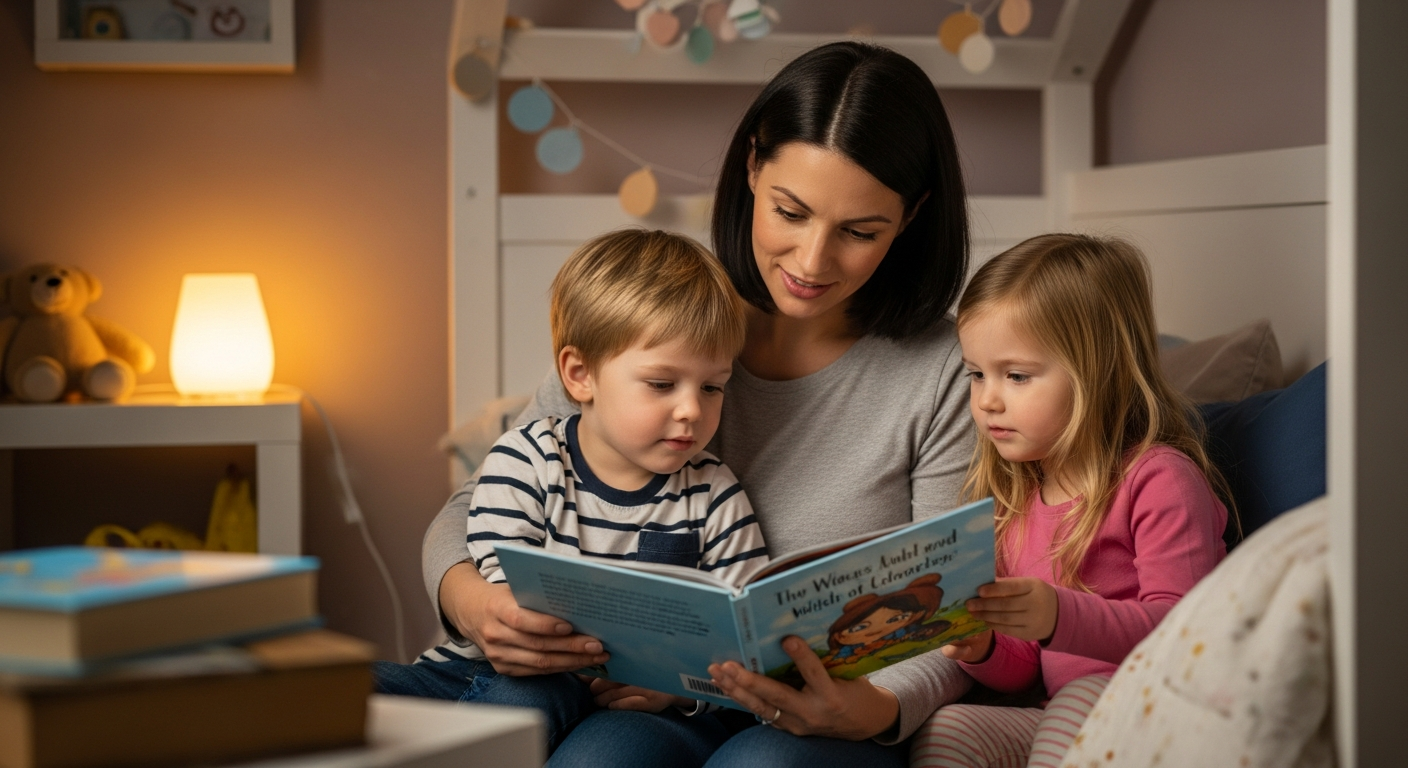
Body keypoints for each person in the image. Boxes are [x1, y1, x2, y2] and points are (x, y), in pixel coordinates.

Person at [423, 41, 976, 768]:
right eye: (790, 211)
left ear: (911, 218)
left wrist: (877, 706)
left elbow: (957, 611)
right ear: (752, 168)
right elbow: (472, 508)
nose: (812, 262)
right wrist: (473, 604)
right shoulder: (666, 312)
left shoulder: (943, 371)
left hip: (821, 717)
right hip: (658, 704)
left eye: (859, 232)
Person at [375, 229, 769, 753]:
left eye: (712, 386)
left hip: (611, 705)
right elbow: (508, 597)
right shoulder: (526, 459)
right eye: (661, 384)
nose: (692, 410)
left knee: (532, 711)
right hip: (481, 675)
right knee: (336, 692)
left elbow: (747, 643)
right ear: (579, 375)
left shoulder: (715, 495)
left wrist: (678, 691)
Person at [908, 234, 1231, 768]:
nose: (987, 399)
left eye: (1015, 376)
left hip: (1153, 704)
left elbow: (1183, 636)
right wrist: (985, 647)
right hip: (1059, 707)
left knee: (1076, 703)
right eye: (976, 374)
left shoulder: (1159, 480)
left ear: (1097, 372)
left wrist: (1059, 614)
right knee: (949, 727)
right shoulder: (1017, 497)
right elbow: (1027, 670)